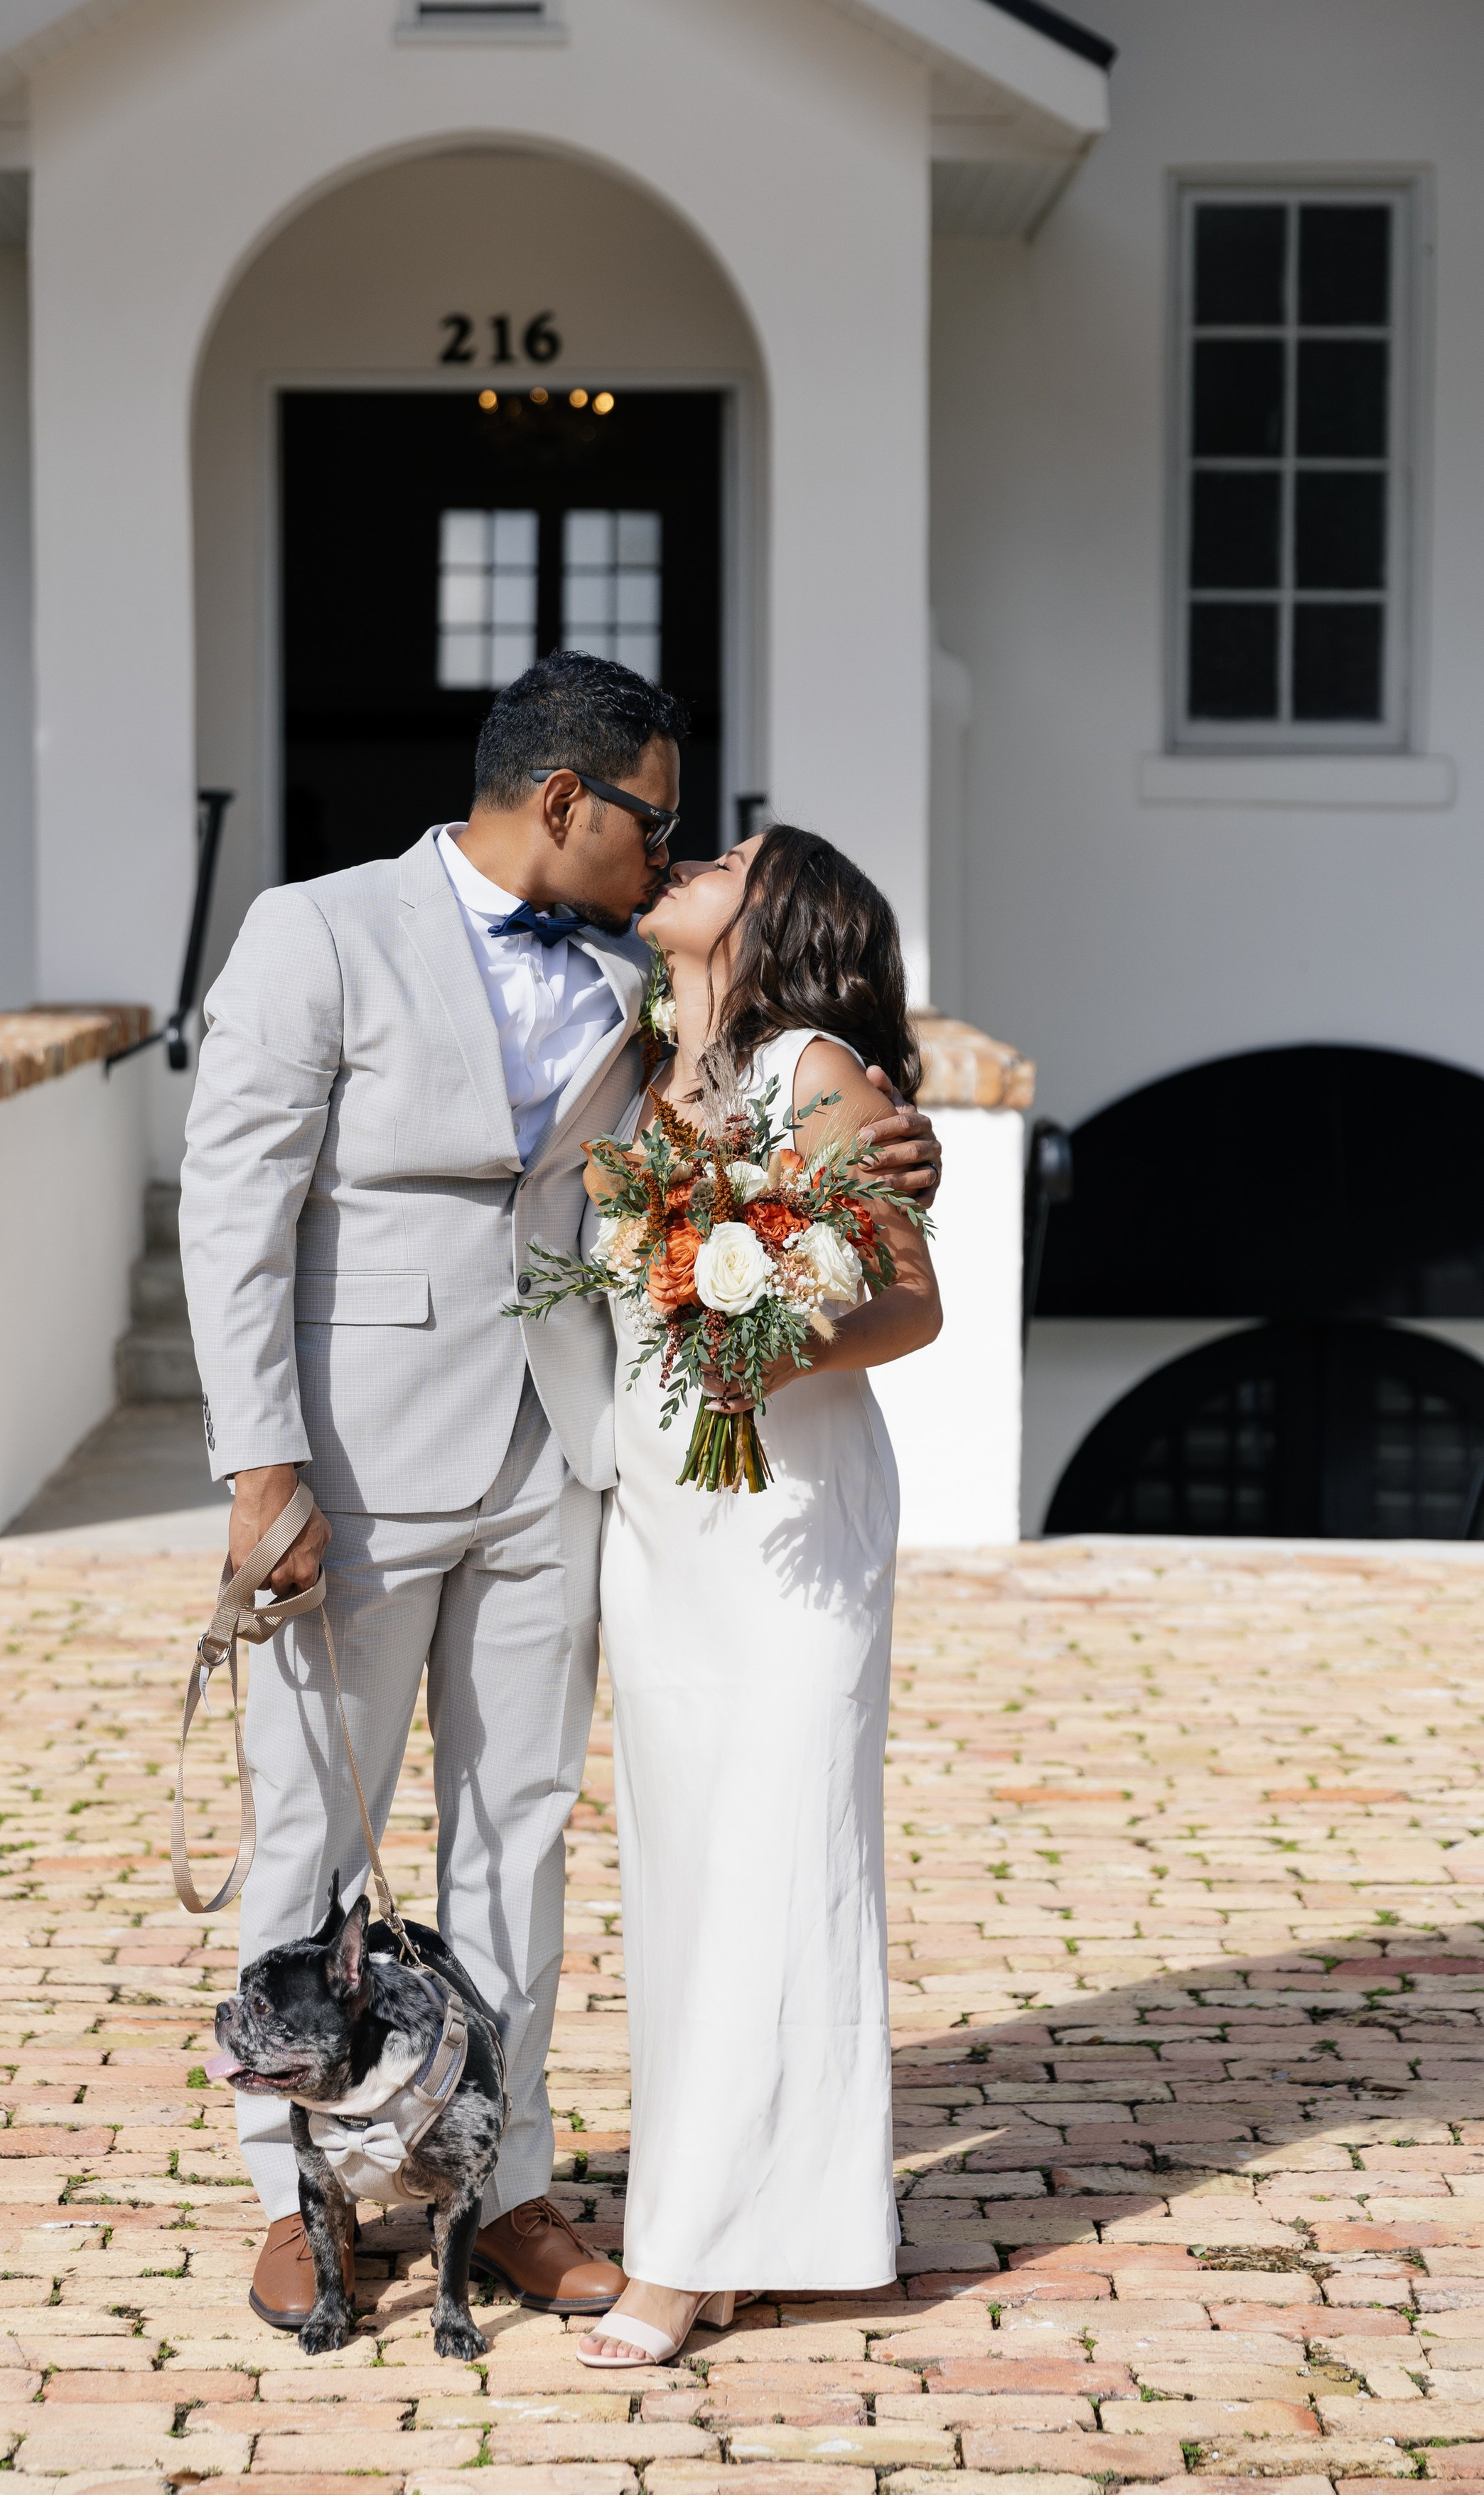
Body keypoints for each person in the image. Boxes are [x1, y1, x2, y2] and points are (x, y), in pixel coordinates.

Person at [180, 656, 942, 2330]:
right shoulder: (314, 931)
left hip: (566, 1463)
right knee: (312, 1825)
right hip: (352, 1463)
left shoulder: (633, 978)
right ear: (560, 800)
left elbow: (776, 1106)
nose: (668, 852)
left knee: (517, 1831)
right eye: (652, 821)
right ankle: (299, 2185)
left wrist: (899, 1149)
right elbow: (233, 1204)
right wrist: (262, 1466)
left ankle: (501, 2178)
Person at [577, 825, 941, 2368]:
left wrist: (768, 1347)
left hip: (790, 1521)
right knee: (684, 1876)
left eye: (730, 854)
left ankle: (682, 2254)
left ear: (783, 912)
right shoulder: (638, 1065)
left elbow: (909, 1301)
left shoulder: (813, 1069)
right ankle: (762, 2221)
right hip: (665, 1526)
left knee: (774, 1861)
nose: (692, 858)